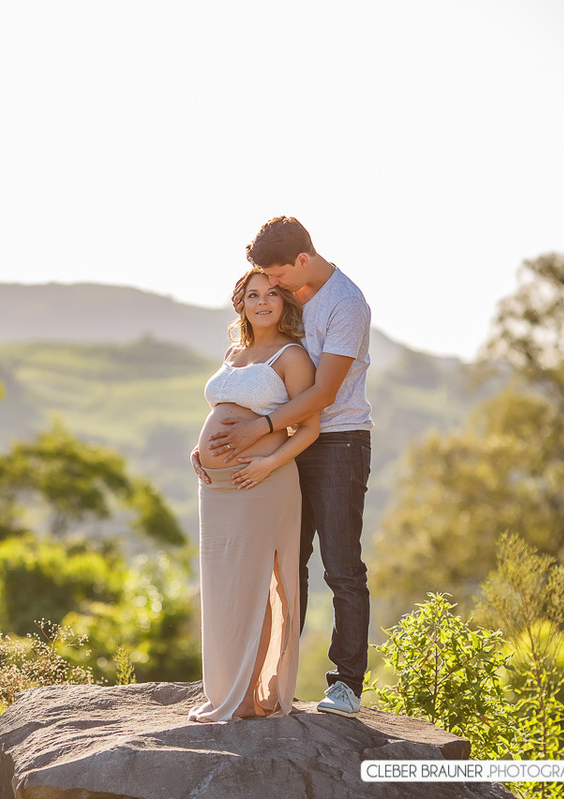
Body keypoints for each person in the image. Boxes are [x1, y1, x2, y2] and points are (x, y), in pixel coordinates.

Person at [207, 216, 373, 718]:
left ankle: (345, 683)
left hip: (338, 442)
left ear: (302, 260)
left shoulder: (346, 304)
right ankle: (272, 677)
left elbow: (323, 393)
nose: (271, 288)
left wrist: (259, 430)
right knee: (283, 565)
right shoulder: (292, 291)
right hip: (285, 442)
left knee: (341, 567)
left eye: (276, 277)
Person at [187, 269, 319, 722]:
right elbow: (224, 411)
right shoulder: (233, 353)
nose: (262, 302)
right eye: (253, 295)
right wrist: (200, 449)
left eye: (271, 295)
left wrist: (268, 463)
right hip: (217, 491)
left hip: (262, 482)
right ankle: (223, 688)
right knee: (223, 589)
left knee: (257, 587)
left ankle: (246, 696)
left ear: (284, 302)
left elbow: (309, 428)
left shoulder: (292, 356)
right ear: (240, 302)